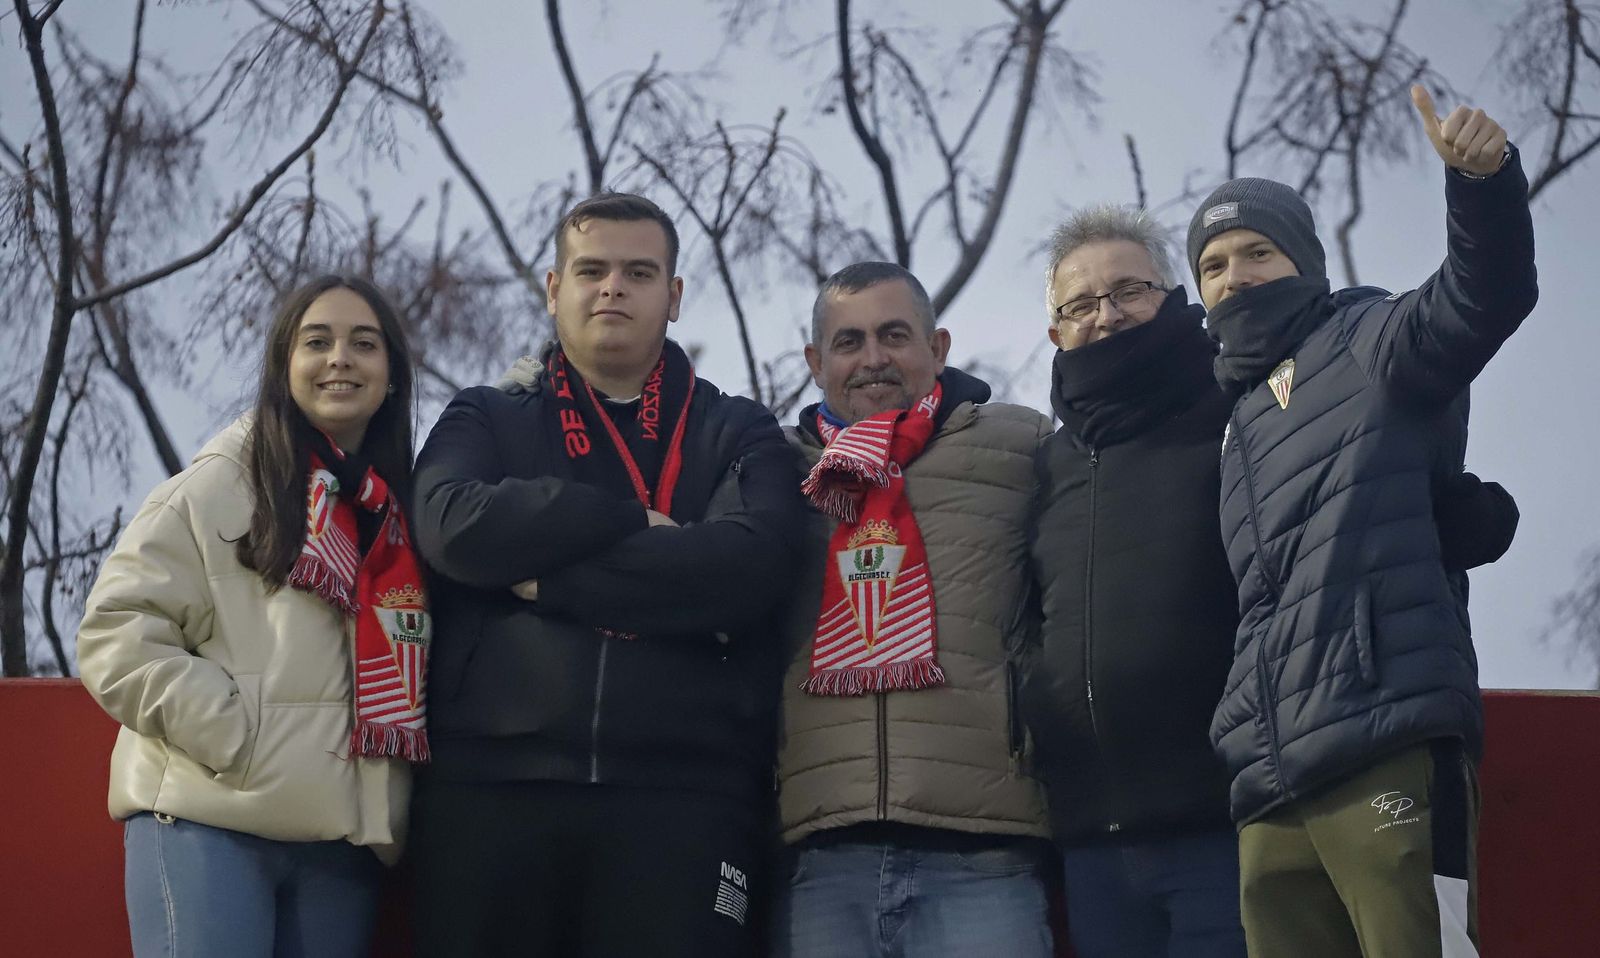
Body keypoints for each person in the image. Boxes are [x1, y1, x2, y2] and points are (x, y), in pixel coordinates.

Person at [1024, 205, 1518, 958]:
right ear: (1055, 330)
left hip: (1229, 813)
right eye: (1081, 303)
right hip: (1097, 842)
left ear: (1175, 299)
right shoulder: (1043, 467)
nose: (1109, 314)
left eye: (1131, 289)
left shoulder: (1242, 407)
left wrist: (1433, 508)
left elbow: (1353, 466)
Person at [1187, 87, 1536, 956]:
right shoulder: (1229, 427)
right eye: (1215, 263)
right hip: (1271, 787)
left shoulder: (1369, 340)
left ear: (1305, 263)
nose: (1236, 276)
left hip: (1388, 742)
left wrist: (1482, 185)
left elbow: (1479, 298)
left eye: (1257, 251)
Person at [408, 192, 802, 957]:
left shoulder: (737, 429)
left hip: (687, 796)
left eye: (638, 271)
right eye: (590, 269)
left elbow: (747, 566)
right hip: (493, 788)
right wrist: (628, 522)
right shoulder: (485, 417)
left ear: (674, 295)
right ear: (555, 290)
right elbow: (454, 527)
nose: (612, 287)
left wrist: (545, 578)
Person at [77, 275, 427, 958]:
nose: (339, 359)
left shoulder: (397, 515)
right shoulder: (222, 481)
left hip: (336, 842)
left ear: (392, 377)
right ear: (282, 366)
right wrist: (237, 736)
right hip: (207, 822)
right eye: (316, 341)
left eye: (364, 344)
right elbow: (115, 630)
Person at [772, 261, 1055, 958]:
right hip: (823, 858)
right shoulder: (772, 473)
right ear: (814, 361)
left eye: (895, 335)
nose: (873, 358)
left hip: (984, 852)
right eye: (849, 341)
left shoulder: (1021, 446)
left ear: (939, 347)